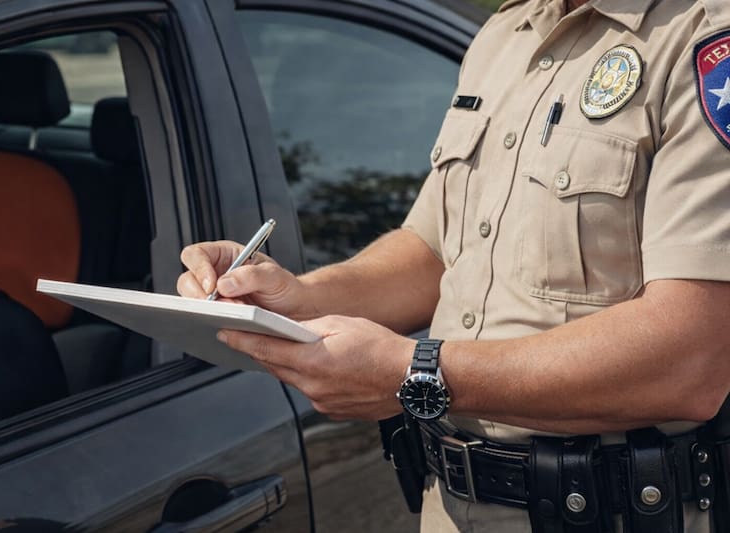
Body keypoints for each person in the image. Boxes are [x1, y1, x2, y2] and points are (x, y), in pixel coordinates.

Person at [179, 0, 730, 531]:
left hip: (613, 511)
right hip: (448, 503)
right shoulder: (508, 32)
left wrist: (419, 374)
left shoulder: (702, 39)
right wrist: (297, 295)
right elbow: (435, 250)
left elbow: (692, 361)